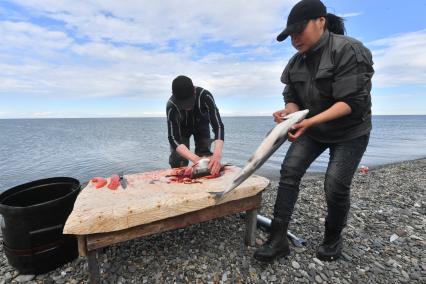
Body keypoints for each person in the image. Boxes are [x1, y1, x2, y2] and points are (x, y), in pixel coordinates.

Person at [254, 0, 374, 262]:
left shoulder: (349, 50)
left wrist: (308, 122)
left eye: (300, 31)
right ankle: (277, 240)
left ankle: (332, 239)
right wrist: (290, 113)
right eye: (290, 35)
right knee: (289, 172)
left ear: (321, 21)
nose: (295, 39)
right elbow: (292, 95)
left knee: (335, 184)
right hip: (314, 129)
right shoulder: (296, 62)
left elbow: (352, 102)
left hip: (350, 131)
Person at [166, 75, 225, 175]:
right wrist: (195, 159)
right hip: (182, 130)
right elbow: (173, 138)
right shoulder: (171, 106)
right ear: (173, 94)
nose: (187, 107)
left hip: (201, 126)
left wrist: (217, 155)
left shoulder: (205, 96)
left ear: (194, 90)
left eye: (189, 102)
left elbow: (218, 125)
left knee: (205, 156)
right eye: (182, 104)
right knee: (178, 160)